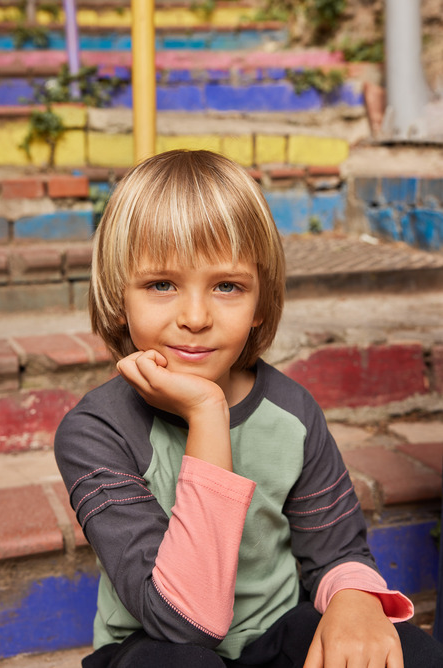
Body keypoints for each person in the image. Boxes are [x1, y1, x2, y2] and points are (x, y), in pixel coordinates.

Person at [55, 149, 443, 668]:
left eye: (227, 286)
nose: (195, 317)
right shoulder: (95, 431)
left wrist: (354, 601)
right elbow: (184, 622)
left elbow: (337, 552)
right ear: (118, 296)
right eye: (161, 285)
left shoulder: (291, 413)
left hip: (274, 639)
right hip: (154, 647)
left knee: (410, 650)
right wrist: (207, 415)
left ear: (260, 302)